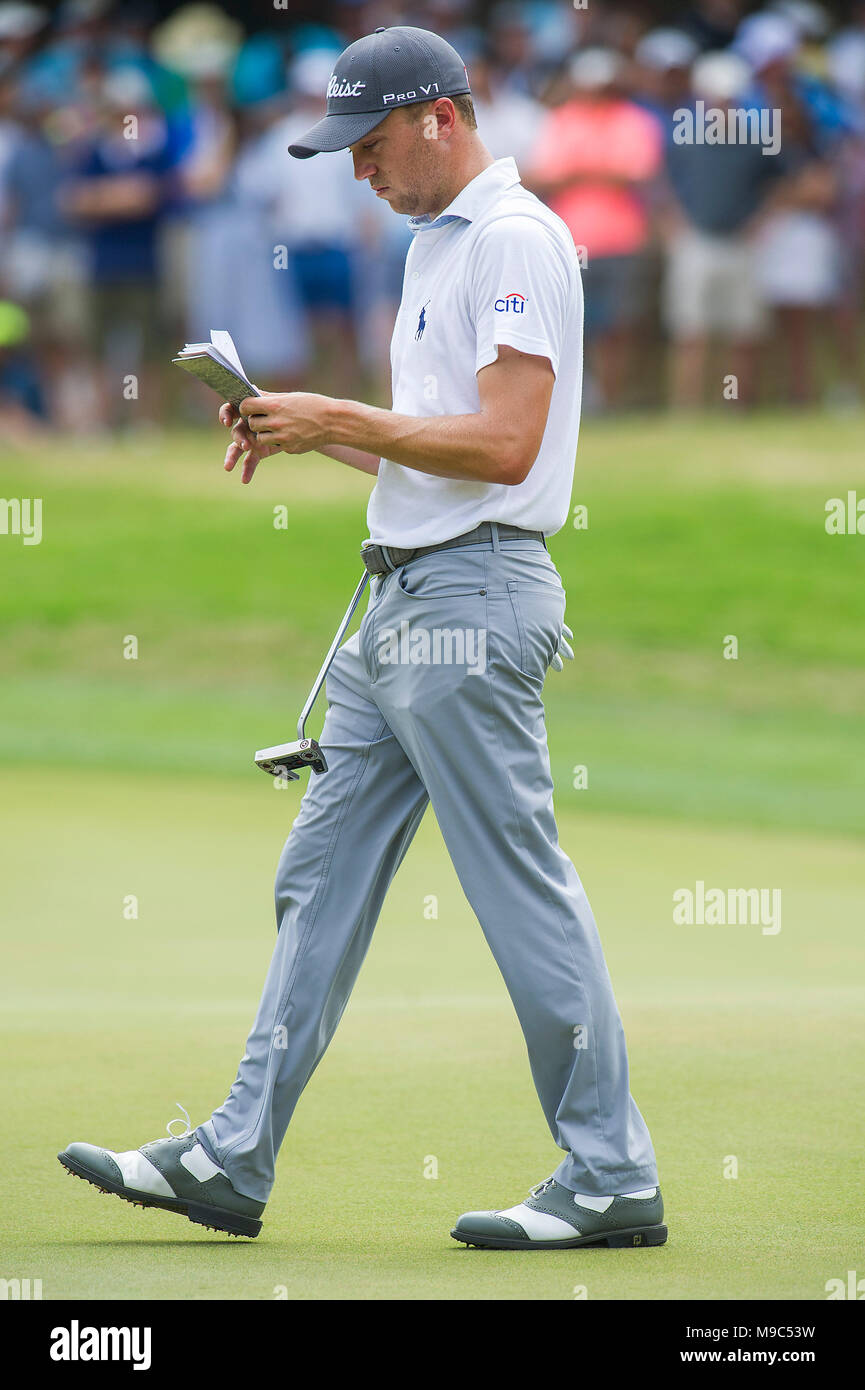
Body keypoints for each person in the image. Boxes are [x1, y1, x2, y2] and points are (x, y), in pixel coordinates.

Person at [59, 26, 665, 1252]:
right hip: (395, 604)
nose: (358, 172)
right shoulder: (437, 247)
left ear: (440, 115)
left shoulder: (511, 239)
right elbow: (431, 446)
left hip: (472, 603)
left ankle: (609, 1174)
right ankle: (232, 1153)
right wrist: (302, 427)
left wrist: (341, 408)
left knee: (517, 890)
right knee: (318, 879)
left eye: (372, 143)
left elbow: (502, 447)